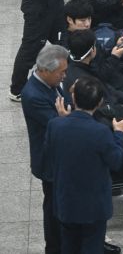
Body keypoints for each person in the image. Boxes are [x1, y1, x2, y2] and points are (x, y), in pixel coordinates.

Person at [44, 75, 123, 254]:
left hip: (65, 202)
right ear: (99, 102)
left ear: (73, 98)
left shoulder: (54, 125)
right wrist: (120, 134)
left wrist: (62, 119)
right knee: (92, 246)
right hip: (93, 206)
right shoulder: (100, 132)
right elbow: (116, 161)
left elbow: (49, 156)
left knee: (68, 245)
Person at [20, 45, 88, 254]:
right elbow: (56, 126)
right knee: (54, 210)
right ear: (46, 71)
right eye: (61, 72)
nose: (65, 76)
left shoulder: (51, 83)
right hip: (50, 161)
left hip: (62, 157)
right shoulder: (33, 95)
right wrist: (69, 118)